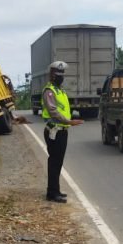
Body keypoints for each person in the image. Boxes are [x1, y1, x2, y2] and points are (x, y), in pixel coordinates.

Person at [42, 61, 83, 203]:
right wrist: (69, 121)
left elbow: (64, 109)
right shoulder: (49, 91)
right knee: (54, 161)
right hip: (54, 130)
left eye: (62, 74)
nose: (61, 77)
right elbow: (53, 111)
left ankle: (56, 190)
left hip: (62, 131)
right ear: (52, 75)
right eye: (58, 75)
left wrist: (71, 119)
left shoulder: (60, 91)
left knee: (58, 162)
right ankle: (51, 193)